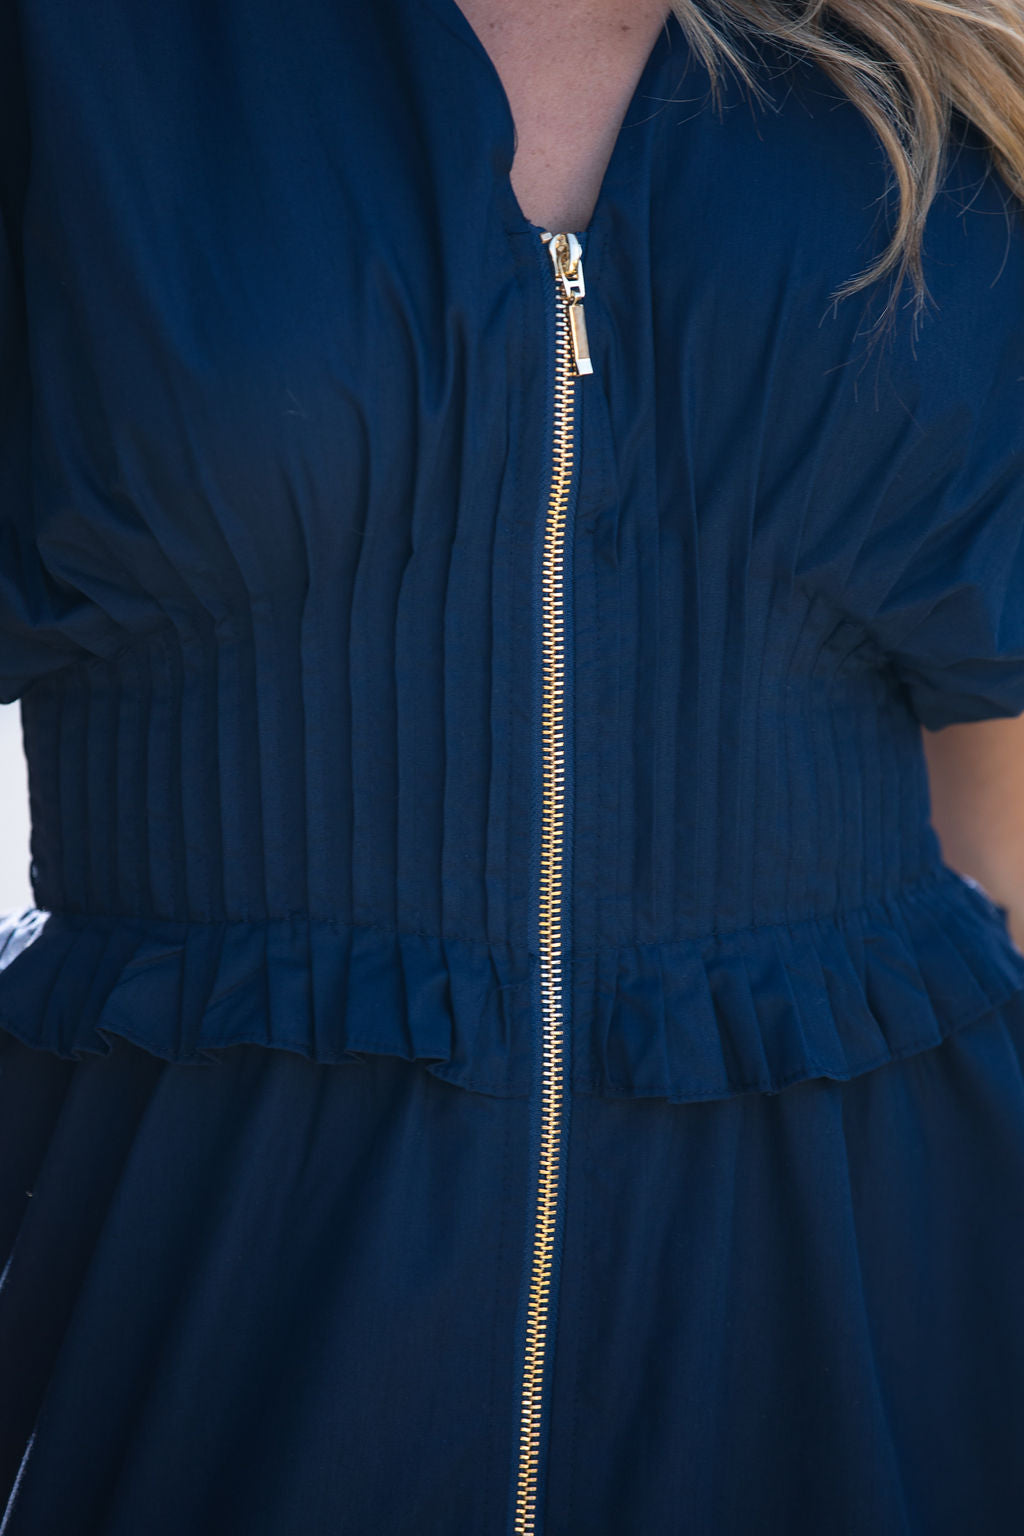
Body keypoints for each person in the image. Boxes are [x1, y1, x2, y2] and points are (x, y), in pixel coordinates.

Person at [2, 1, 1024, 1531]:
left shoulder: (941, 71)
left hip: (881, 1344)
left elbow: (1003, 802)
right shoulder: (80, 52)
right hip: (204, 1343)